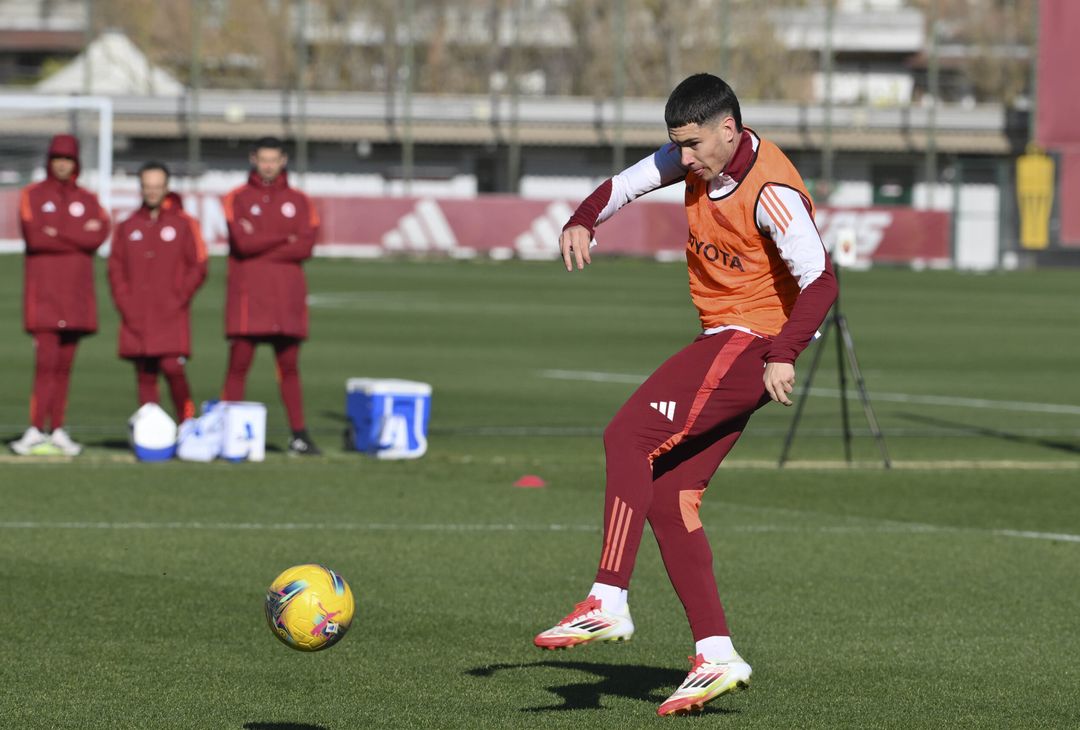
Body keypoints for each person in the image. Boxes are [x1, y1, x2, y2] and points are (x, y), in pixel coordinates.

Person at [533, 74, 839, 716]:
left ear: (729, 129)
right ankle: (717, 653)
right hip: (730, 339)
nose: (685, 159)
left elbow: (821, 283)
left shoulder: (772, 192)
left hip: (749, 341)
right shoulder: (691, 156)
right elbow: (622, 186)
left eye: (694, 145)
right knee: (671, 497)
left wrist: (783, 353)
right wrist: (584, 218)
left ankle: (607, 599)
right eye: (678, 146)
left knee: (627, 436)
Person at [10, 134, 111, 456]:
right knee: (45, 365)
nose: (62, 164)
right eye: (57, 158)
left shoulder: (89, 197)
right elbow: (36, 237)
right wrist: (77, 236)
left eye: (67, 159)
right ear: (49, 161)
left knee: (65, 369)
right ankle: (35, 428)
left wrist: (59, 233)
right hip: (44, 298)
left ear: (76, 162)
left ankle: (57, 430)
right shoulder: (33, 195)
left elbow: (99, 234)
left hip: (77, 299)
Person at [220, 137, 321, 455]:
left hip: (286, 299)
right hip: (249, 297)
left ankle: (299, 435)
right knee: (238, 365)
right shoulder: (236, 198)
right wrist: (283, 238)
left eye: (273, 159)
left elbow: (305, 246)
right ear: (253, 159)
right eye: (262, 159)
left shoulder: (301, 200)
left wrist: (261, 239)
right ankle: (223, 432)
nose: (267, 165)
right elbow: (242, 244)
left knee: (289, 367)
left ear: (283, 160)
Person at [108, 162, 208, 422]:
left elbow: (199, 265)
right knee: (145, 372)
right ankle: (149, 430)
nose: (152, 192)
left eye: (157, 186)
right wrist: (125, 302)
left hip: (171, 312)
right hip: (137, 312)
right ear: (140, 188)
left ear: (166, 187)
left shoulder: (185, 223)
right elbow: (115, 269)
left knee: (173, 367)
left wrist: (179, 296)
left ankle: (187, 422)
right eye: (147, 187)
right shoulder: (128, 225)